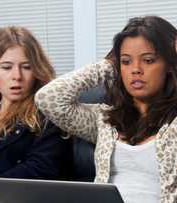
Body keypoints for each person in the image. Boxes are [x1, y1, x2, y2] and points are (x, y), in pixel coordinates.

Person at [35, 15, 177, 203]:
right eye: (126, 62)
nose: (136, 69)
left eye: (148, 60)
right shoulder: (104, 120)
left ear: (169, 64)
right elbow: (47, 98)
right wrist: (110, 64)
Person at [0, 26, 72, 198]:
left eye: (26, 67)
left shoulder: (49, 114)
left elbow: (40, 169)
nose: (16, 76)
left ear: (37, 70)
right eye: (6, 67)